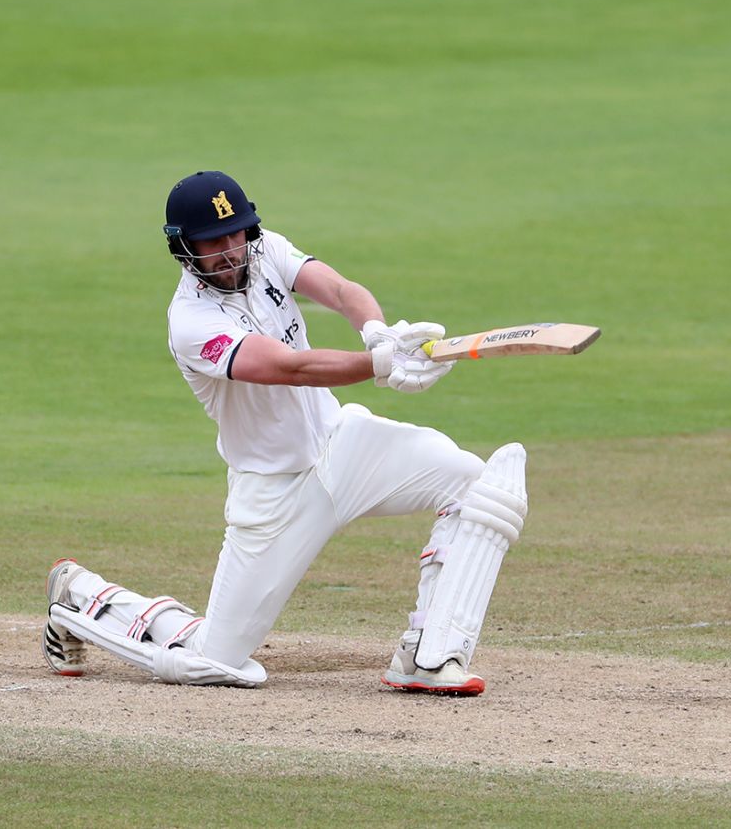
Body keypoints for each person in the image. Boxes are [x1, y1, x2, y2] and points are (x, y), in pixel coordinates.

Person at [40, 171, 527, 695]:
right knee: (216, 662)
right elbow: (289, 367)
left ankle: (426, 654)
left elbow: (339, 290)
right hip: (273, 491)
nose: (230, 249)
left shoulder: (265, 249)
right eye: (212, 241)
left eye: (236, 233)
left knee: (474, 484)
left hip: (343, 447)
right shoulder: (191, 323)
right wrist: (380, 363)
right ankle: (80, 598)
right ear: (183, 248)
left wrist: (377, 331)